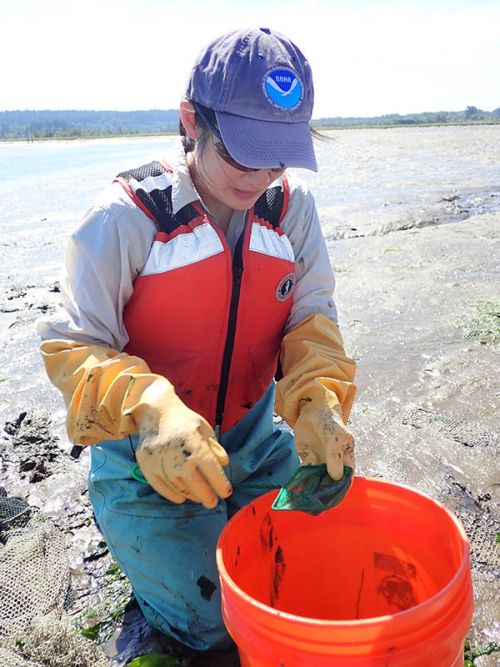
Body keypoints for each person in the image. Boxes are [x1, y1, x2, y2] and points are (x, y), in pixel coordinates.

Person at [37, 27, 356, 664]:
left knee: (311, 574)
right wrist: (153, 410)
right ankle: (147, 590)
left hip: (255, 439)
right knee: (214, 625)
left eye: (279, 156)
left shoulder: (292, 210)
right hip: (143, 460)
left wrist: (320, 401)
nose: (261, 175)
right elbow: (74, 345)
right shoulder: (124, 218)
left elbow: (311, 323)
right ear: (191, 122)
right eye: (243, 153)